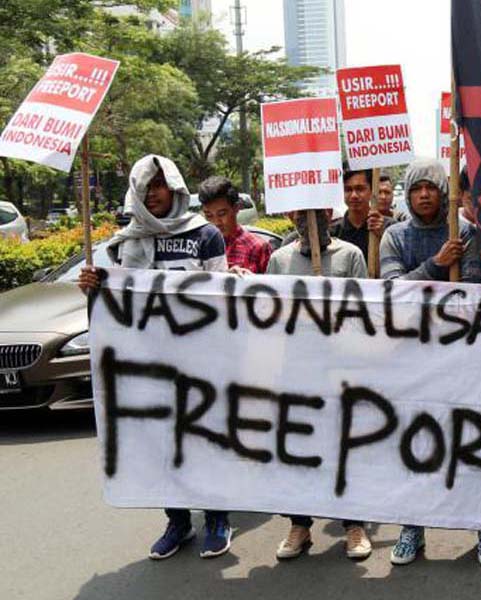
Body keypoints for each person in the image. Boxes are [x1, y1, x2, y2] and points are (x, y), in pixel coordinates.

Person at [78, 154, 232, 560]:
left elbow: (224, 298)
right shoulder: (126, 241)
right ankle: (177, 521)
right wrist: (93, 286)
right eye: (145, 187)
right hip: (147, 364)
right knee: (162, 443)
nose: (153, 194)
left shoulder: (206, 236)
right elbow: (116, 304)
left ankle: (217, 518)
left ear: (176, 188)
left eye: (159, 185)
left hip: (200, 360)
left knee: (205, 439)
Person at [379, 158, 481, 566]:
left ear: (444, 191)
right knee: (414, 446)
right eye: (417, 188)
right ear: (408, 193)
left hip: (460, 356)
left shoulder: (467, 234)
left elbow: (476, 294)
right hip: (409, 359)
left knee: (470, 443)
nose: (424, 194)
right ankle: (412, 527)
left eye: (432, 187)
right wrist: (438, 265)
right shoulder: (394, 236)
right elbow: (392, 292)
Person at [265, 209, 372, 561]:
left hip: (340, 373)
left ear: (328, 213)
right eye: (300, 212)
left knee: (345, 448)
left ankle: (353, 524)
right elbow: (269, 316)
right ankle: (299, 525)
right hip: (295, 374)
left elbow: (365, 314)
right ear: (291, 214)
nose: (307, 218)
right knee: (298, 451)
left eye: (316, 212)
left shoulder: (350, 256)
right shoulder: (279, 261)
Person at [198, 175, 272, 274]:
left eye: (222, 214)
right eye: (209, 215)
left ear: (236, 208)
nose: (216, 222)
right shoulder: (198, 247)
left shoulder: (257, 247)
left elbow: (271, 286)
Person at [331, 164, 394, 263]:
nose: (354, 195)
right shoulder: (332, 233)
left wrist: (382, 237)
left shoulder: (390, 228)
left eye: (360, 189)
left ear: (372, 190)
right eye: (348, 190)